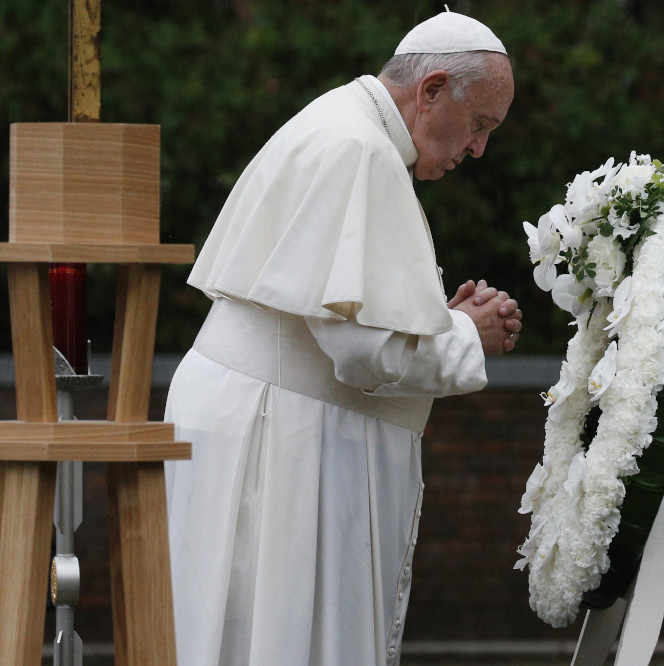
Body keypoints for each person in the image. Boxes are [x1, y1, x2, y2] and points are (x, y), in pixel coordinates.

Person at [163, 10, 520, 665]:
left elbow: (339, 315)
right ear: (432, 89)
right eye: (480, 125)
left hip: (265, 419)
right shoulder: (359, 150)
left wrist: (434, 319)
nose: (479, 150)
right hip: (279, 436)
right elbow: (363, 355)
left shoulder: (343, 126)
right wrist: (468, 335)